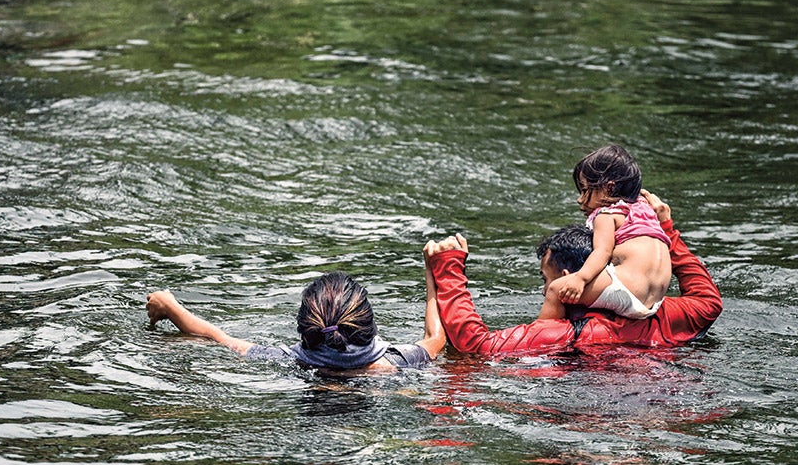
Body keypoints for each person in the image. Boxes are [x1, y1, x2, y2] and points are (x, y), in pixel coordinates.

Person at [423, 190, 721, 355]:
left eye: (546, 279)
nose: (544, 290)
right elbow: (709, 301)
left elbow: (476, 345)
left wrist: (448, 268)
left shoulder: (565, 334)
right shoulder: (661, 315)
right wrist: (664, 231)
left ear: (566, 276)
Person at [145, 265, 445, 371]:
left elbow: (217, 337)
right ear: (368, 325)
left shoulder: (289, 360)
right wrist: (434, 272)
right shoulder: (398, 362)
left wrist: (171, 307)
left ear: (306, 330)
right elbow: (436, 338)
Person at [539, 144, 671, 321]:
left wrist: (581, 279)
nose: (579, 200)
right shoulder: (646, 211)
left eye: (585, 190)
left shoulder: (607, 215)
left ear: (609, 188)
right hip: (656, 298)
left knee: (556, 290)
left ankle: (539, 332)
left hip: (630, 290)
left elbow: (603, 251)